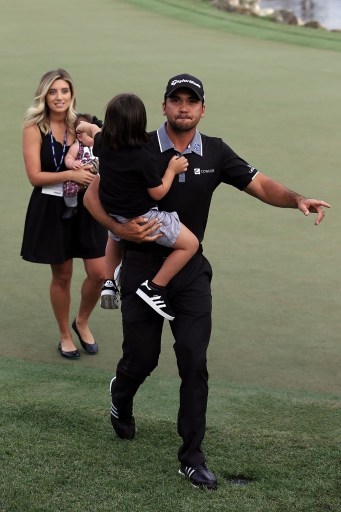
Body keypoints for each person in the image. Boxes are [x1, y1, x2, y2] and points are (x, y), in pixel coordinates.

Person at [83, 73, 330, 489]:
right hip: (143, 266)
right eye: (175, 100)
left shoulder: (215, 152)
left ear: (201, 109)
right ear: (163, 106)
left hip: (191, 270)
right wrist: (119, 231)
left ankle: (191, 456)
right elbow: (93, 194)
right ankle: (120, 397)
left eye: (191, 101)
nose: (183, 107)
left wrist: (297, 199)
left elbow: (261, 184)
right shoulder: (136, 143)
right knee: (141, 361)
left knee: (194, 361)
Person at [77, 93, 199, 320]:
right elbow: (158, 191)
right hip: (143, 218)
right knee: (190, 245)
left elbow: (95, 132)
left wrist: (84, 125)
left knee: (115, 236)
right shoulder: (144, 156)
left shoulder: (104, 144)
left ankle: (109, 282)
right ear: (140, 122)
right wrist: (172, 170)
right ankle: (154, 287)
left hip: (114, 212)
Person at [21, 68, 107, 359]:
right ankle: (64, 334)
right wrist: (71, 173)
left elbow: (106, 154)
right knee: (63, 275)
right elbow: (35, 176)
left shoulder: (83, 124)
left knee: (100, 272)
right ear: (44, 95)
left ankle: (81, 320)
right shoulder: (34, 128)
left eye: (64, 91)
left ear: (72, 94)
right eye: (53, 91)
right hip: (52, 208)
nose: (59, 97)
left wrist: (91, 170)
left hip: (88, 207)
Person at [63, 113, 100, 219]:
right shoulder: (77, 146)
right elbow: (69, 158)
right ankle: (71, 206)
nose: (93, 138)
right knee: (69, 186)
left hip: (95, 177)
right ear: (79, 136)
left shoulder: (97, 146)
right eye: (89, 135)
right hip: (79, 177)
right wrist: (72, 163)